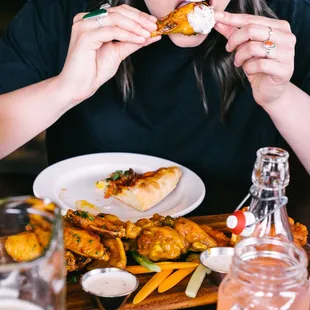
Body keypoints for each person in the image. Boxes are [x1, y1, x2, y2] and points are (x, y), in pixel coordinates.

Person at [0, 0, 309, 214]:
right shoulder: (62, 10)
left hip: (230, 256)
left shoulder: (287, 20)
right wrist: (63, 91)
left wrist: (282, 99)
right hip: (85, 250)